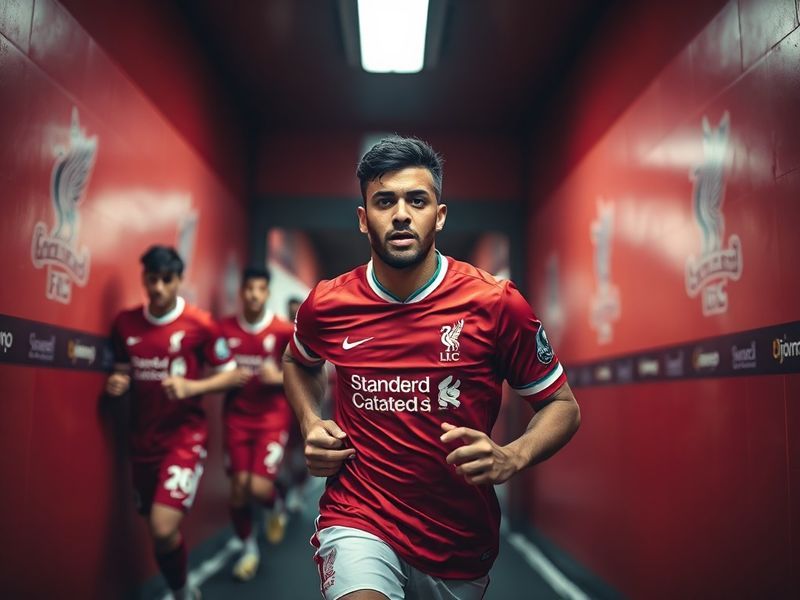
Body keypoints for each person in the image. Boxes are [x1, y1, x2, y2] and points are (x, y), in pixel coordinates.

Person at [283, 136, 581, 600]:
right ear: (364, 220)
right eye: (385, 201)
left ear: (438, 215)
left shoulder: (496, 303)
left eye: (416, 200)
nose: (401, 213)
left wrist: (513, 456)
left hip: (457, 539)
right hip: (358, 513)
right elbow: (297, 362)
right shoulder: (328, 303)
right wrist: (309, 423)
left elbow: (562, 406)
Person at [105, 245, 248, 600]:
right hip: (142, 442)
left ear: (179, 281)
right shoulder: (125, 323)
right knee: (156, 528)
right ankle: (182, 587)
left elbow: (234, 376)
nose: (158, 288)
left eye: (166, 280)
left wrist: (192, 386)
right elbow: (121, 372)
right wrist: (115, 385)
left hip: (185, 438)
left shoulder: (200, 324)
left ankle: (183, 593)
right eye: (152, 280)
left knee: (163, 527)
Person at [218, 267, 295, 580]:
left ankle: (275, 506)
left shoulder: (282, 331)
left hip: (271, 417)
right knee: (238, 489)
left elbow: (306, 371)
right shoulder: (224, 329)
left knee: (259, 487)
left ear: (267, 293)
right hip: (236, 417)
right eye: (248, 289)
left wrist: (276, 377)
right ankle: (250, 548)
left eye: (259, 289)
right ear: (242, 292)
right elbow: (212, 366)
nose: (253, 295)